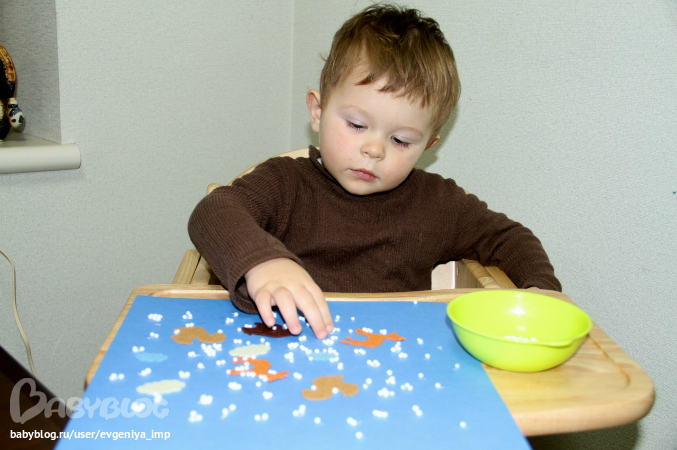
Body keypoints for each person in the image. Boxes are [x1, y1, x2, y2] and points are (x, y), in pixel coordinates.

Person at [188, 4, 561, 340]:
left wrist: (542, 290)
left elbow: (508, 237)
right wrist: (263, 263)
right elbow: (213, 212)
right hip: (285, 355)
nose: (374, 149)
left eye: (401, 140)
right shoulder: (285, 184)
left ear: (427, 146)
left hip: (393, 363)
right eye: (356, 125)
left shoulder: (437, 204)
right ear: (318, 112)